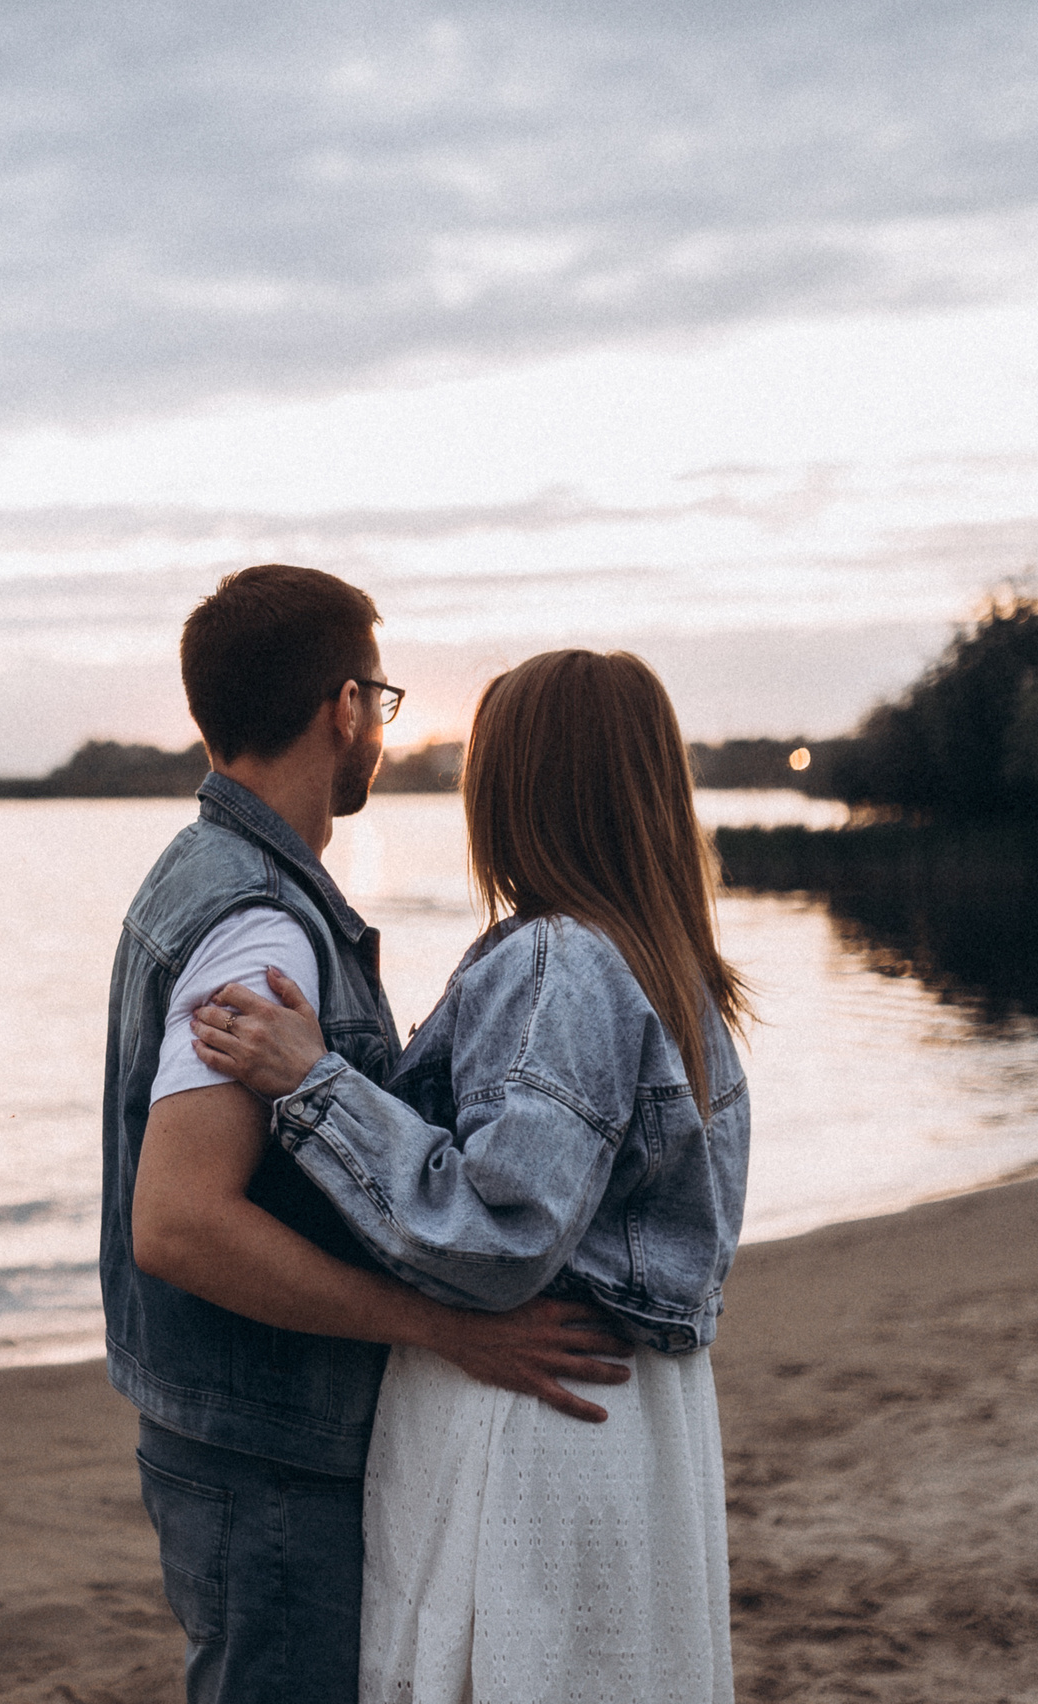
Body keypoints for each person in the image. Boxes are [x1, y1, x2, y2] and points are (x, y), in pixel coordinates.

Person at [103, 567, 637, 1704]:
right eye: (382, 701)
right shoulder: (258, 927)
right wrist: (442, 1327)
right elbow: (180, 1225)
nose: (381, 730)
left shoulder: (207, 878)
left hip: (236, 1438)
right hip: (270, 1454)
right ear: (344, 708)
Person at [193, 648, 751, 1703]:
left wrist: (314, 1084)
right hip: (635, 1416)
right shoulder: (669, 963)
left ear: (515, 788)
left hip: (536, 1416)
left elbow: (503, 1235)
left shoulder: (557, 960)